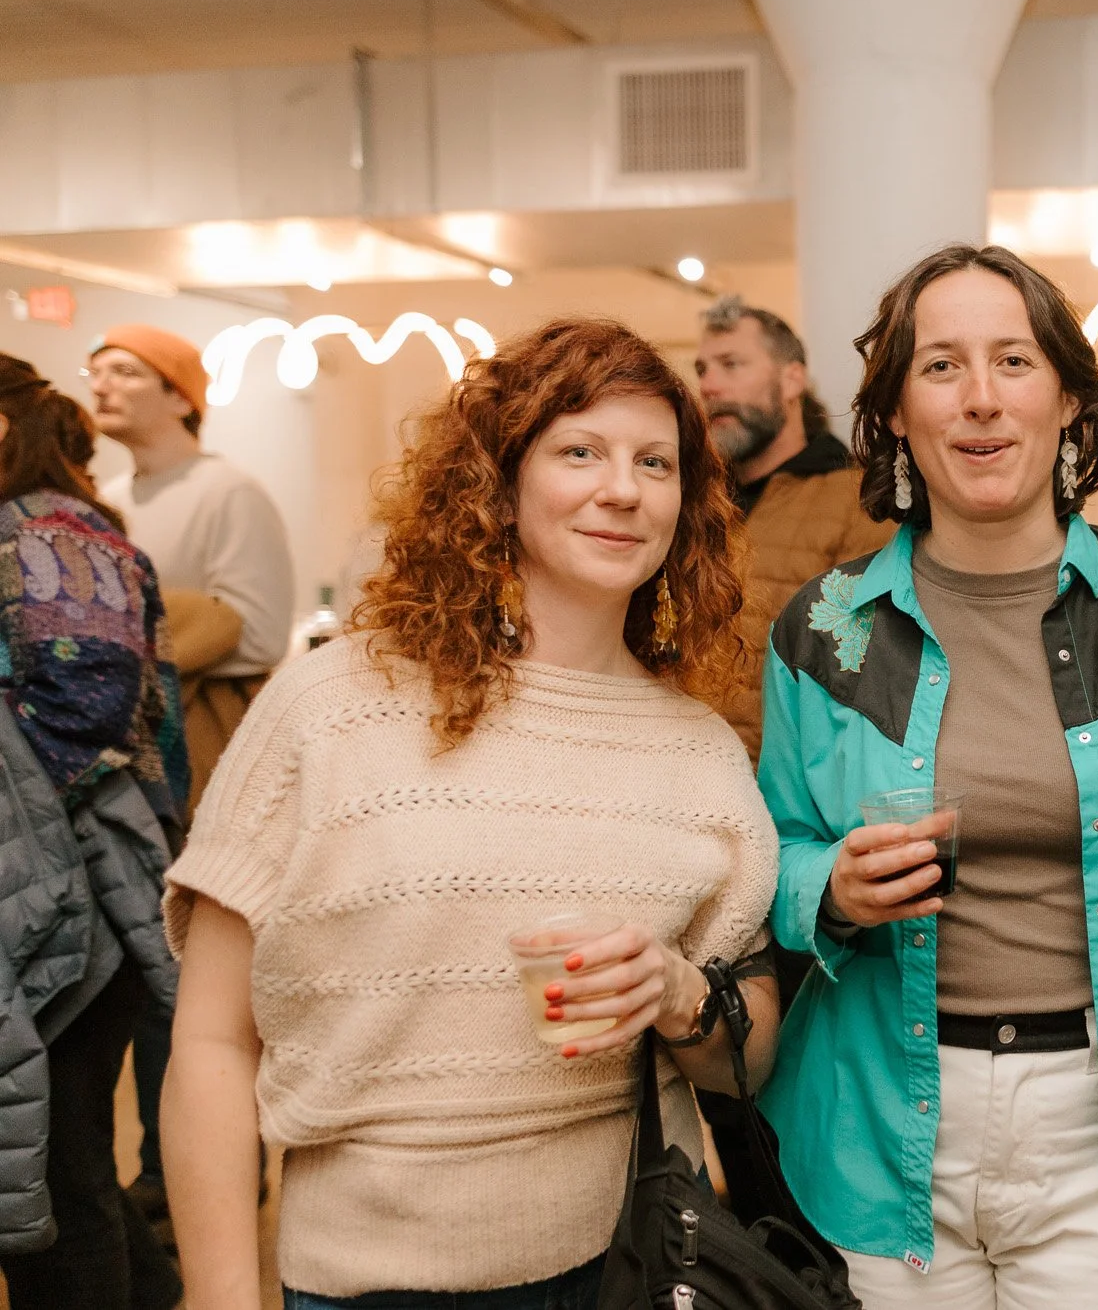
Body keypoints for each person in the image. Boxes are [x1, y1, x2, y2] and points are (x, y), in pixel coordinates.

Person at [158, 318, 783, 1308]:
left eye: (653, 461)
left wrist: (674, 993)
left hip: (630, 1266)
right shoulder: (331, 708)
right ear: (501, 481)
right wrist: (222, 1295)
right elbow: (212, 1039)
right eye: (580, 451)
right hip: (363, 1284)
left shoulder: (698, 753)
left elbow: (744, 1055)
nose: (621, 487)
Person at [755, 245, 1098, 1308]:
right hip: (878, 1124)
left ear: (1069, 402)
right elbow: (762, 862)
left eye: (1014, 360)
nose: (982, 400)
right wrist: (829, 892)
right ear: (896, 412)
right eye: (941, 367)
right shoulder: (820, 630)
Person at [88, 323, 295, 1227]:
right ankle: (154, 1189)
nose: (103, 383)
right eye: (95, 369)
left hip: (202, 767)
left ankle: (197, 1197)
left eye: (126, 370)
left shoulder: (228, 491)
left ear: (180, 394)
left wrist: (115, 630)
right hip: (127, 770)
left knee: (195, 990)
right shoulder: (106, 496)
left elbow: (253, 626)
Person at [0, 357, 187, 1310]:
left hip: (78, 901)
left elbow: (91, 700)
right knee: (59, 1172)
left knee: (58, 1175)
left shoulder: (55, 534)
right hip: (48, 890)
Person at [694, 295, 891, 760]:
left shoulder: (856, 499)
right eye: (702, 369)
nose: (710, 386)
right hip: (679, 777)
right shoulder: (693, 502)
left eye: (732, 364)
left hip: (787, 793)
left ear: (791, 379)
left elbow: (866, 674)